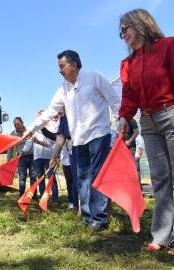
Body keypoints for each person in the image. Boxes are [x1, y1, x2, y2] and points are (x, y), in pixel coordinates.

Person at [117, 9, 174, 256]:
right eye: (120, 32)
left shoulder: (169, 46)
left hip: (172, 115)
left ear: (140, 24)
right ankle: (162, 236)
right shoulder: (128, 63)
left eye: (126, 29)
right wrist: (124, 116)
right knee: (160, 179)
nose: (123, 35)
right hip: (147, 121)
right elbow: (129, 95)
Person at [22, 50, 120, 230]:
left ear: (74, 64)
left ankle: (99, 219)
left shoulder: (95, 77)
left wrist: (122, 123)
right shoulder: (63, 89)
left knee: (97, 176)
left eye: (62, 66)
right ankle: (87, 217)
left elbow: (114, 101)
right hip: (78, 139)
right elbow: (51, 112)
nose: (60, 71)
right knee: (82, 177)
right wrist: (31, 129)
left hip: (99, 134)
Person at [32, 111, 59, 202]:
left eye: (40, 117)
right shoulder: (35, 128)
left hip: (48, 156)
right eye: (38, 118)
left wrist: (38, 142)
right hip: (37, 157)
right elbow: (30, 141)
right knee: (40, 178)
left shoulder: (51, 128)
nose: (39, 119)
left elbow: (50, 144)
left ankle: (55, 198)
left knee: (51, 177)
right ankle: (43, 198)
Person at [7, 117, 36, 197]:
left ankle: (33, 195)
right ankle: (22, 195)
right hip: (21, 159)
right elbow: (10, 147)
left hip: (32, 156)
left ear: (22, 123)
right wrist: (9, 160)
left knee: (33, 177)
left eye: (18, 124)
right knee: (22, 178)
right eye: (15, 125)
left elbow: (32, 142)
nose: (16, 126)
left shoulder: (29, 131)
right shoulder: (13, 134)